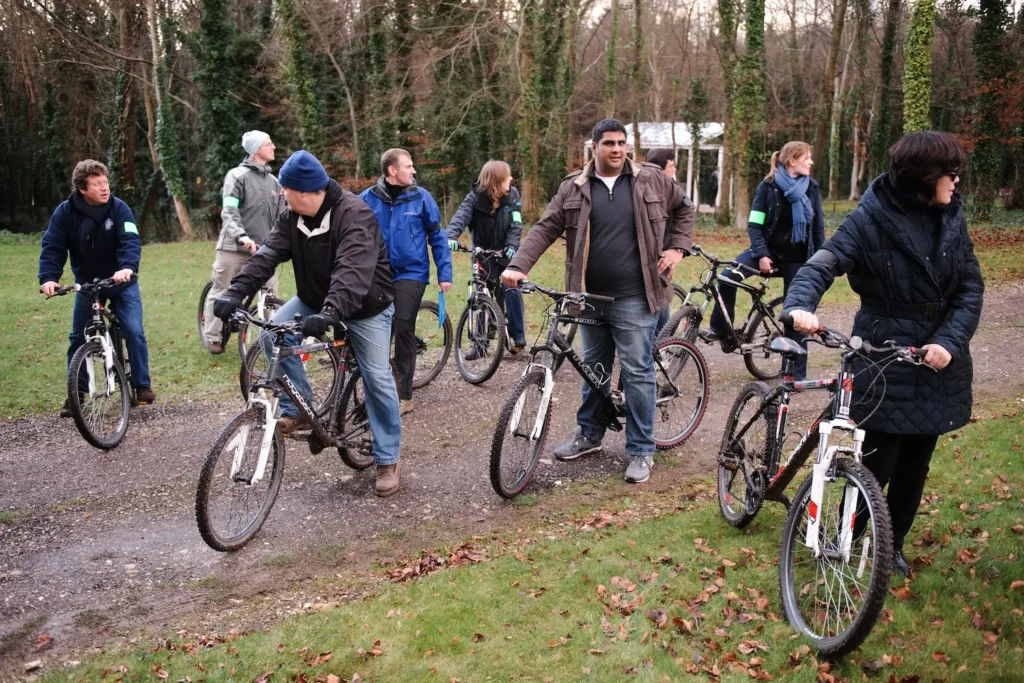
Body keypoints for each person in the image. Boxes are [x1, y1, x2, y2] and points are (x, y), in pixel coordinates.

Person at [784, 131, 984, 575]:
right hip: (883, 355)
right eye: (950, 172)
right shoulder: (869, 217)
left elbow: (970, 288)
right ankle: (847, 541)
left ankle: (890, 547)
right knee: (879, 461)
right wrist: (799, 306)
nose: (956, 180)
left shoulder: (952, 217)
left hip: (936, 360)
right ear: (924, 175)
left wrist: (948, 342)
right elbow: (823, 263)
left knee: (916, 464)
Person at [501, 119, 696, 484]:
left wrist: (677, 248)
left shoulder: (651, 179)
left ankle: (641, 449)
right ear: (594, 148)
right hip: (588, 298)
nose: (617, 149)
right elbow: (544, 228)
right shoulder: (574, 187)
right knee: (594, 370)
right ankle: (590, 434)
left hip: (635, 297)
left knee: (637, 372)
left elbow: (685, 209)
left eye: (622, 142)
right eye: (609, 143)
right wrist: (517, 265)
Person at [213, 150, 403, 497]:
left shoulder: (354, 215)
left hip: (366, 305)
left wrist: (331, 312)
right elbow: (266, 256)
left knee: (376, 377)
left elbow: (351, 272)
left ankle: (388, 458)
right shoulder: (293, 217)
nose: (281, 194)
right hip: (316, 299)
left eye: (285, 189)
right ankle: (298, 409)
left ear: (302, 191)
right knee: (271, 335)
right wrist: (235, 293)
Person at [39, 159, 155, 416]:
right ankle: (76, 394)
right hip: (88, 284)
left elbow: (130, 240)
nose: (104, 188)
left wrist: (127, 268)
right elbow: (53, 246)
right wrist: (48, 278)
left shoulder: (119, 208)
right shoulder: (65, 213)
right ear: (82, 188)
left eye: (106, 182)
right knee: (78, 337)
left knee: (133, 330)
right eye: (97, 184)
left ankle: (141, 384)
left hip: (121, 281)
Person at [704, 141, 826, 380]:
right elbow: (755, 224)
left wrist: (821, 261)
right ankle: (721, 330)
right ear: (792, 161)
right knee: (727, 277)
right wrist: (761, 254)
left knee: (795, 312)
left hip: (797, 259)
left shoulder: (811, 187)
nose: (811, 162)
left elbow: (818, 228)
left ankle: (794, 375)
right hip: (765, 252)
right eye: (807, 158)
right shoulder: (767, 186)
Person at [359, 149, 453, 417]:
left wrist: (444, 272)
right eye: (408, 166)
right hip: (378, 273)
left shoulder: (421, 198)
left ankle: (404, 396)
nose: (413, 171)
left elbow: (437, 236)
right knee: (369, 324)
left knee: (402, 324)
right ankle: (373, 385)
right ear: (392, 171)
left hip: (411, 272)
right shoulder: (367, 199)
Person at [202, 131, 284, 353]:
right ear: (256, 149)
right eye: (269, 143)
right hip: (234, 247)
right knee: (222, 289)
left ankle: (269, 341)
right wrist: (241, 236)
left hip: (264, 251)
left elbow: (282, 217)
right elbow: (229, 210)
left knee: (270, 296)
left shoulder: (275, 183)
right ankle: (213, 337)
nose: (274, 147)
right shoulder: (236, 176)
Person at [445, 160, 527, 354]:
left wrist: (512, 245)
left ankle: (517, 336)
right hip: (483, 254)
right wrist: (450, 237)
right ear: (497, 180)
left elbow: (516, 224)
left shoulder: (513, 195)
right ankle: (480, 344)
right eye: (507, 176)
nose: (511, 179)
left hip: (506, 252)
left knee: (511, 288)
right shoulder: (474, 198)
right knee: (482, 294)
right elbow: (460, 218)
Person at [642, 148, 681, 335]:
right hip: (650, 257)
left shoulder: (673, 190)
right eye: (671, 166)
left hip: (664, 256)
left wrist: (676, 249)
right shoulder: (643, 188)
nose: (674, 170)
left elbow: (684, 214)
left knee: (661, 303)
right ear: (660, 169)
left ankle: (661, 342)